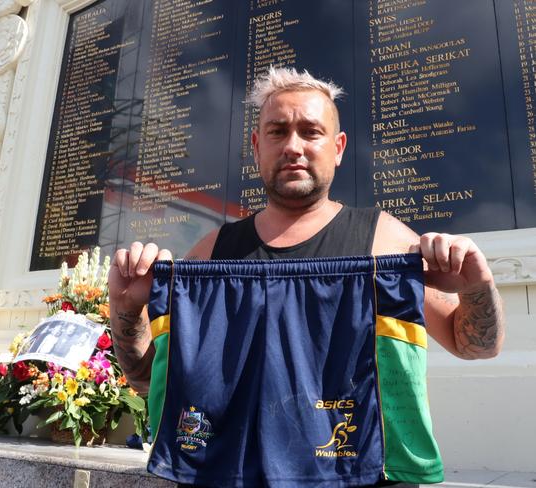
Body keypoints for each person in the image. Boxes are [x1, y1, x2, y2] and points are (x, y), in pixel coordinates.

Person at [108, 67, 504, 486]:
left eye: (310, 131)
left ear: (337, 147)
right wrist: (128, 308)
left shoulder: (386, 243)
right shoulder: (210, 255)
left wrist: (477, 288)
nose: (293, 146)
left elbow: (475, 346)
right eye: (277, 132)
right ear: (257, 147)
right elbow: (147, 379)